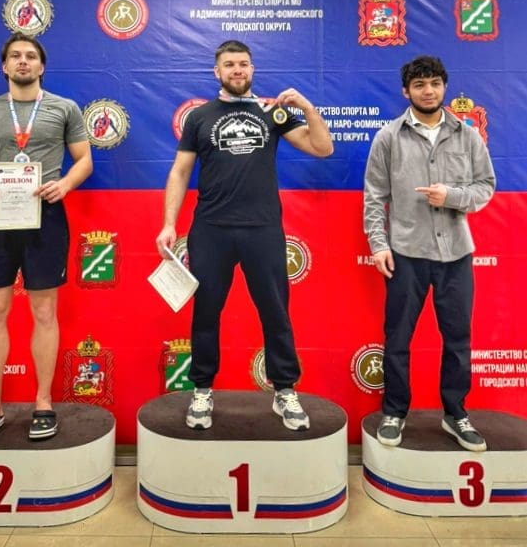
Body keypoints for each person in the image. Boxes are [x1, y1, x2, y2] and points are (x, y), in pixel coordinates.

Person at [156, 40, 333, 431]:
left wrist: (306, 107)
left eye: (243, 64)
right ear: (217, 72)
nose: (237, 70)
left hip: (263, 229)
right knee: (206, 313)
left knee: (275, 312)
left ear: (252, 69)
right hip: (211, 230)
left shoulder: (273, 112)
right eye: (229, 64)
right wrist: (169, 223)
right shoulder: (199, 117)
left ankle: (285, 391)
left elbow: (322, 148)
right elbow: (180, 172)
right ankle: (202, 390)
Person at [0, 33, 93, 445]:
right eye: (15, 56)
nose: (23, 61)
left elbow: (84, 160)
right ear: (4, 66)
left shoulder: (64, 108)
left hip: (44, 214)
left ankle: (43, 402)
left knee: (45, 311)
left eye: (30, 56)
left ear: (41, 66)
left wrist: (65, 184)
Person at [363, 55, 495, 452]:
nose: (428, 91)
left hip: (456, 254)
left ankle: (455, 414)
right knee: (398, 338)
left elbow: (486, 186)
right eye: (420, 84)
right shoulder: (388, 137)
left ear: (444, 87)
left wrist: (451, 196)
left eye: (435, 83)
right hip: (406, 253)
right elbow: (374, 197)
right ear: (406, 91)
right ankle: (394, 412)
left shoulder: (467, 136)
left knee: (457, 339)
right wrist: (378, 244)